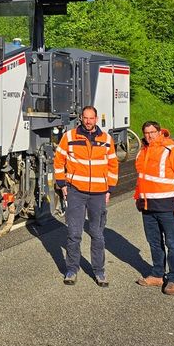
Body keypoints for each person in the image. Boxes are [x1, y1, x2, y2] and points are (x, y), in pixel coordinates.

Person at [54, 105, 119, 286]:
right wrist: (62, 184)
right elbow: (59, 160)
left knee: (97, 234)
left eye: (92, 118)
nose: (89, 121)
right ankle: (71, 269)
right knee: (74, 233)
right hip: (76, 191)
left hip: (98, 193)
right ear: (81, 118)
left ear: (96, 119)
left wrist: (109, 189)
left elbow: (113, 165)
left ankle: (99, 271)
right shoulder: (69, 137)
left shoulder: (106, 139)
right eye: (86, 118)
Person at [133, 121, 174, 295]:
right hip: (148, 206)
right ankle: (157, 275)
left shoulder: (172, 151)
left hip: (170, 207)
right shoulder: (143, 152)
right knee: (154, 243)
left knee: (172, 243)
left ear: (160, 132)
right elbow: (141, 179)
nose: (149, 136)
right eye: (146, 133)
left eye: (152, 132)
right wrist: (138, 198)